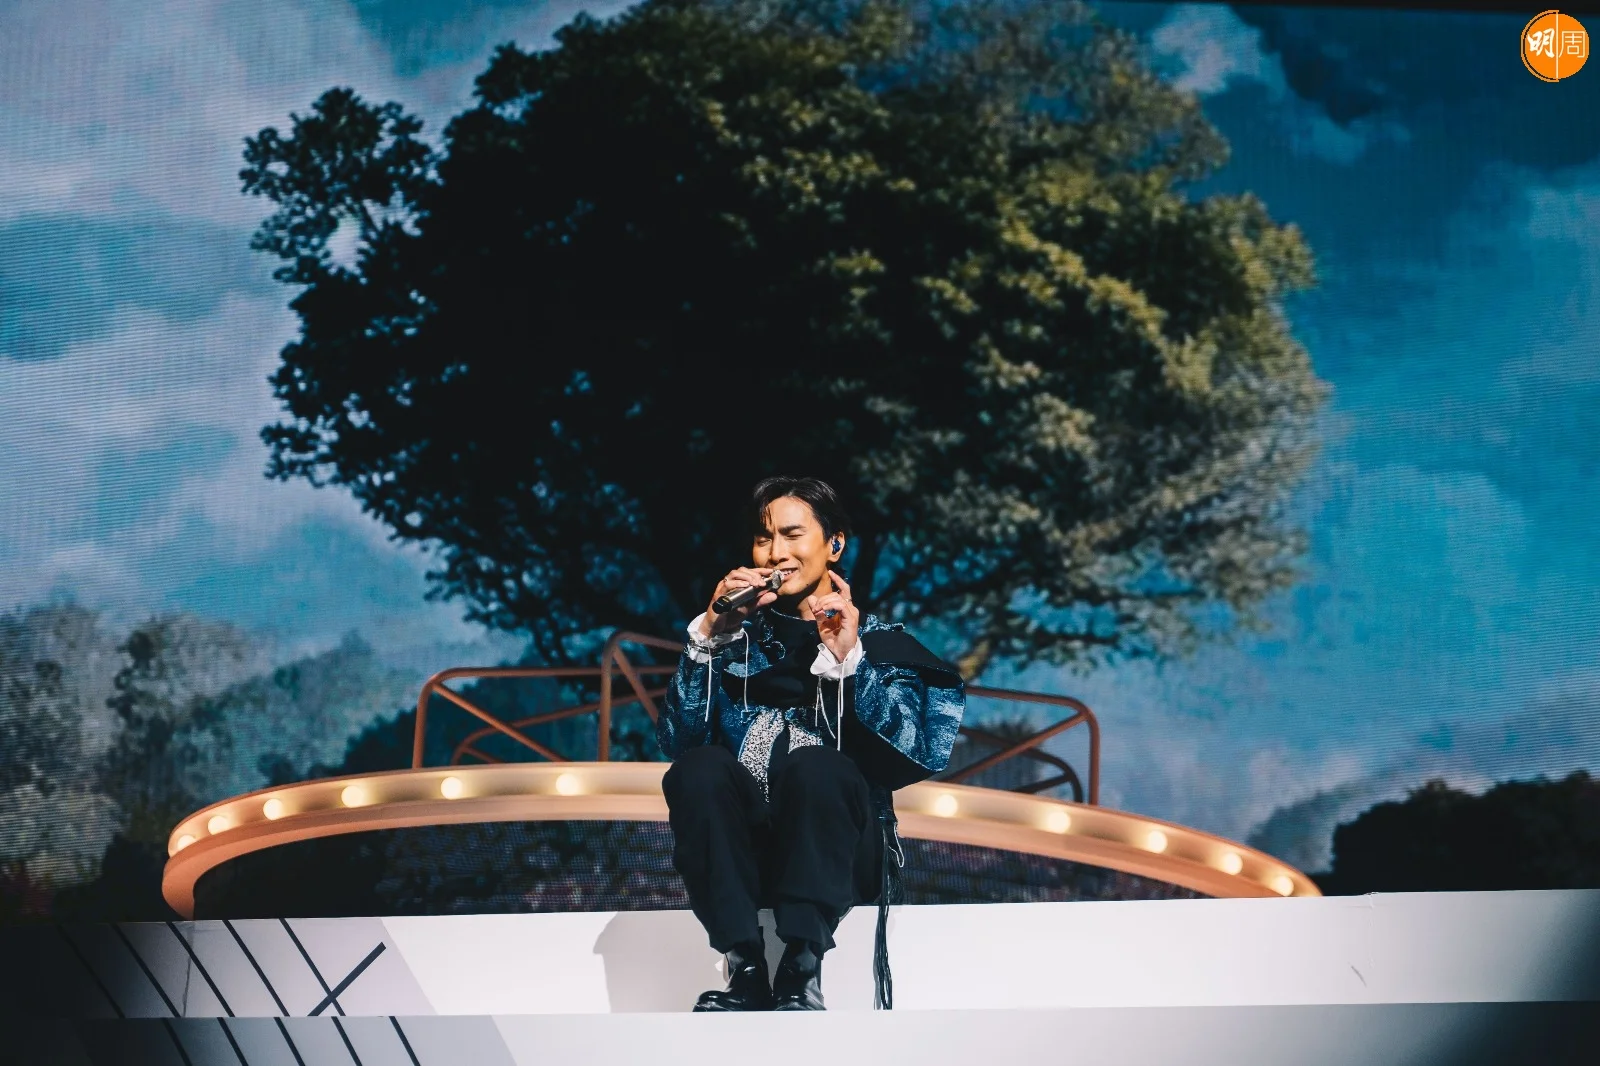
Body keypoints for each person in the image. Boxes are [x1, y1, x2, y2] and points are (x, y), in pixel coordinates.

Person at [658, 476, 966, 1011]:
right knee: (699, 769)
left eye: (792, 534)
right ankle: (743, 965)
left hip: (840, 851)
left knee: (816, 766)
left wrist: (849, 662)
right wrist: (709, 635)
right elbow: (679, 744)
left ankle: (802, 967)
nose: (776, 553)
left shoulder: (879, 643)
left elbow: (917, 751)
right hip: (748, 851)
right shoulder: (734, 642)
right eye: (763, 538)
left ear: (834, 544)